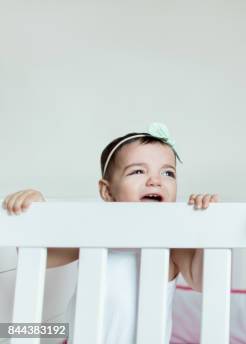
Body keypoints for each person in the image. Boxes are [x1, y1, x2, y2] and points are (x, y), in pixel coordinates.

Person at [2, 123, 217, 344]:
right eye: (138, 171)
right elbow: (40, 255)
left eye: (168, 172)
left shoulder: (172, 245)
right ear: (107, 191)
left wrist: (204, 225)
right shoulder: (91, 235)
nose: (155, 180)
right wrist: (36, 212)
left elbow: (204, 282)